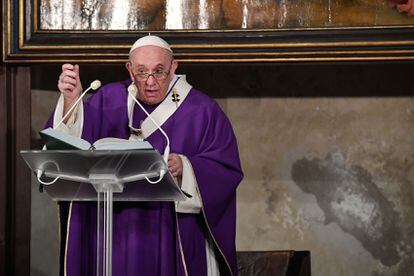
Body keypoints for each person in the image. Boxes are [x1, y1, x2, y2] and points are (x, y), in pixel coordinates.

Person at [45, 35, 243, 276]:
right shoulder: (109, 98)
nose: (150, 82)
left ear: (174, 68)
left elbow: (225, 168)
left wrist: (186, 168)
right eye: (141, 72)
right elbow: (69, 146)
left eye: (159, 71)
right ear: (129, 70)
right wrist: (71, 102)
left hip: (168, 230)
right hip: (110, 231)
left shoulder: (202, 110)